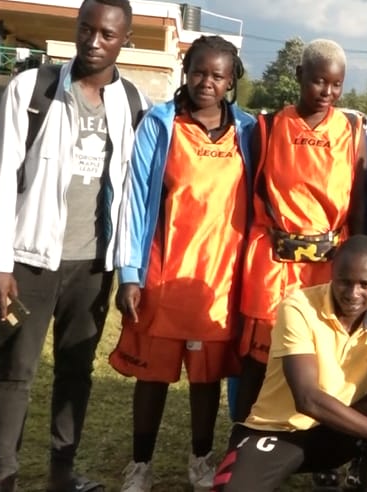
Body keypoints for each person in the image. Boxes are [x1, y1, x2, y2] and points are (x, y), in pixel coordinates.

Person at [0, 1, 143, 490]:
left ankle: (62, 473)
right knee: (14, 370)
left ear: (124, 40)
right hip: (28, 261)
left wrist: (125, 268)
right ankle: (4, 474)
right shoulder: (32, 88)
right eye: (86, 29)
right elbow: (0, 175)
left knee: (75, 371)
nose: (94, 42)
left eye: (107, 34)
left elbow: (131, 190)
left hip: (92, 265)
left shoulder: (132, 103)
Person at [109, 36, 255, 492]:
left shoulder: (249, 130)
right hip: (163, 274)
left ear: (231, 81)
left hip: (218, 280)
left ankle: (200, 459)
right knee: (152, 377)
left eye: (217, 75)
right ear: (185, 71)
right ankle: (140, 464)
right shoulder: (160, 123)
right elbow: (135, 199)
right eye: (198, 72)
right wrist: (129, 274)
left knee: (206, 380)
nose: (206, 82)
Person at [213, 236, 367, 492]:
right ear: (332, 272)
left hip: (339, 431)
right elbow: (307, 399)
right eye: (345, 281)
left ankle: (365, 478)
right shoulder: (299, 308)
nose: (353, 293)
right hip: (279, 429)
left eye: (365, 285)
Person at [233, 38, 367, 422]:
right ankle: (244, 436)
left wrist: (357, 256)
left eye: (336, 84)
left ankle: (318, 439)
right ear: (299, 75)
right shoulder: (268, 126)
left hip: (328, 264)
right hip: (274, 262)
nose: (327, 92)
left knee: (322, 352)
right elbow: (251, 198)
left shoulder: (352, 130)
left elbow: (359, 202)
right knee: (261, 355)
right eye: (319, 81)